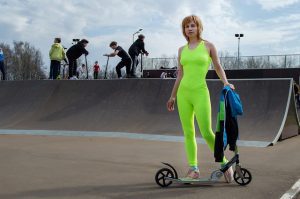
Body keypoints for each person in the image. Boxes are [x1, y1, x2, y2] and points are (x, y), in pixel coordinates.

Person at [166, 15, 235, 182]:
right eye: (186, 26)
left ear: (198, 28)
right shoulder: (181, 50)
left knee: (206, 132)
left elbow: (218, 66)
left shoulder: (208, 46)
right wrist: (172, 96)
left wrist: (226, 82)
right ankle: (194, 168)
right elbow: (180, 75)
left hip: (200, 93)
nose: (189, 28)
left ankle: (224, 163)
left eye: (192, 25)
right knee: (188, 133)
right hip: (183, 94)